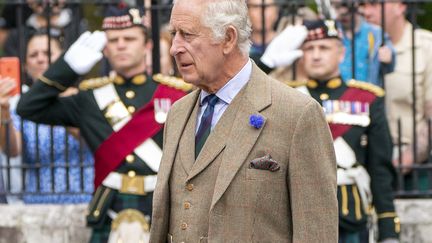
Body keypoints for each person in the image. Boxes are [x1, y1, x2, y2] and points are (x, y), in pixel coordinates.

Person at [150, 0, 338, 242]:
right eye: (174, 34)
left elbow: (316, 233)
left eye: (187, 35)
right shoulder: (178, 112)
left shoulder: (297, 114)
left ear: (228, 38)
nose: (175, 48)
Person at [16, 6, 190, 243]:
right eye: (113, 40)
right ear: (105, 49)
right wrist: (68, 68)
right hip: (109, 207)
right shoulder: (90, 98)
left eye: (129, 39)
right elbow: (28, 107)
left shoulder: (175, 95)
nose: (121, 45)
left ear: (147, 46)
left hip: (158, 206)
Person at [283, 19, 399, 243]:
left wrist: (388, 229)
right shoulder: (287, 96)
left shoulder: (367, 99)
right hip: (297, 213)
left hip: (349, 213)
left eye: (324, 48)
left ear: (341, 53)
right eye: (309, 48)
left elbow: (380, 168)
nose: (316, 55)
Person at [0, 30, 94, 204]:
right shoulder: (21, 105)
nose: (41, 59)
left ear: (64, 59)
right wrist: (3, 110)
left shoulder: (83, 97)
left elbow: (90, 140)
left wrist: (58, 98)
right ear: (26, 66)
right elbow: (12, 150)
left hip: (84, 199)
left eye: (48, 53)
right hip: (38, 202)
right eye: (33, 55)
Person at [363, 0, 432, 191]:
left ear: (400, 6)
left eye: (375, 4)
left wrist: (405, 160)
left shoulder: (426, 46)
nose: (366, 12)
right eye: (362, 5)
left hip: (412, 166)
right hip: (359, 162)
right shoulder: (351, 45)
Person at [331, 0, 395, 87]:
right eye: (336, 6)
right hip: (336, 93)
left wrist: (388, 59)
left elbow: (389, 67)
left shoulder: (375, 33)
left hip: (368, 93)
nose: (341, 12)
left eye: (345, 5)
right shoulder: (330, 31)